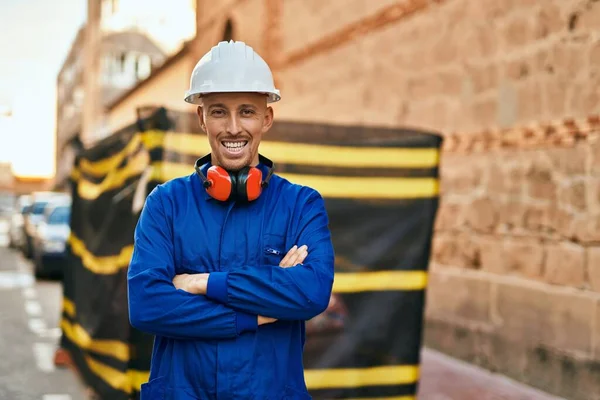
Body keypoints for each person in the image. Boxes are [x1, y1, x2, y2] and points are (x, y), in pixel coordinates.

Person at [127, 40, 335, 399]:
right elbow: (147, 305)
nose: (234, 128)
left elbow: (311, 292)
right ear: (201, 118)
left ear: (266, 118)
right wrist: (250, 316)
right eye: (220, 111)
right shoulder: (165, 204)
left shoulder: (301, 204)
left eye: (248, 112)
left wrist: (200, 283)